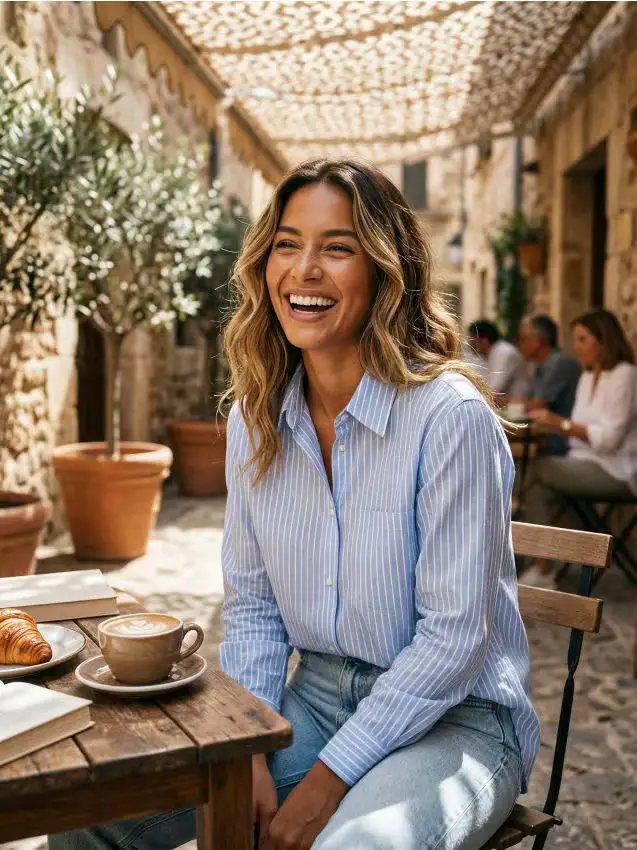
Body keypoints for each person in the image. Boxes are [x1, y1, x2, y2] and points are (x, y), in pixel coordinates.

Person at [50, 160, 539, 850]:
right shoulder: (256, 420)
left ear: (383, 271)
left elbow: (453, 640)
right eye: (287, 244)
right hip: (311, 701)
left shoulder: (447, 418)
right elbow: (252, 605)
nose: (304, 269)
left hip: (455, 720)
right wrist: (246, 741)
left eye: (336, 248)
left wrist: (321, 786)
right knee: (95, 815)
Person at [523, 308, 637, 588]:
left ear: (603, 340)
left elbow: (609, 440)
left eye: (582, 339)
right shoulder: (587, 377)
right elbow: (578, 436)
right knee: (539, 486)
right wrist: (562, 426)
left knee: (539, 468)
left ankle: (546, 564)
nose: (576, 347)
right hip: (583, 462)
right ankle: (544, 566)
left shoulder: (625, 375)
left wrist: (560, 424)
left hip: (617, 471)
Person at [518, 314, 581, 455]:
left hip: (561, 442)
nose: (519, 345)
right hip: (548, 437)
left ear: (538, 341)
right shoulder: (543, 366)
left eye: (523, 339)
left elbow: (536, 406)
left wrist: (500, 401)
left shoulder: (557, 364)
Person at [468, 319, 531, 399]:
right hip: (508, 404)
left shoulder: (502, 351)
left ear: (484, 340)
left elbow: (493, 389)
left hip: (520, 404)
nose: (470, 345)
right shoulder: (486, 355)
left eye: (473, 341)